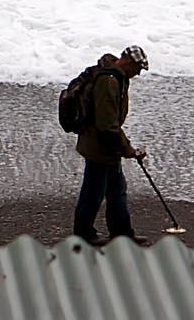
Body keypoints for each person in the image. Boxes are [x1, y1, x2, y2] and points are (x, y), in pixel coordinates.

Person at [71, 44, 149, 245]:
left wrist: (122, 148)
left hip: (107, 146)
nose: (137, 74)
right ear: (128, 62)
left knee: (116, 190)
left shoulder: (115, 77)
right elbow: (107, 124)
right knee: (93, 193)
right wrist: (127, 148)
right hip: (99, 146)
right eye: (138, 69)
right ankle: (83, 234)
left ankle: (122, 233)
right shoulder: (109, 81)